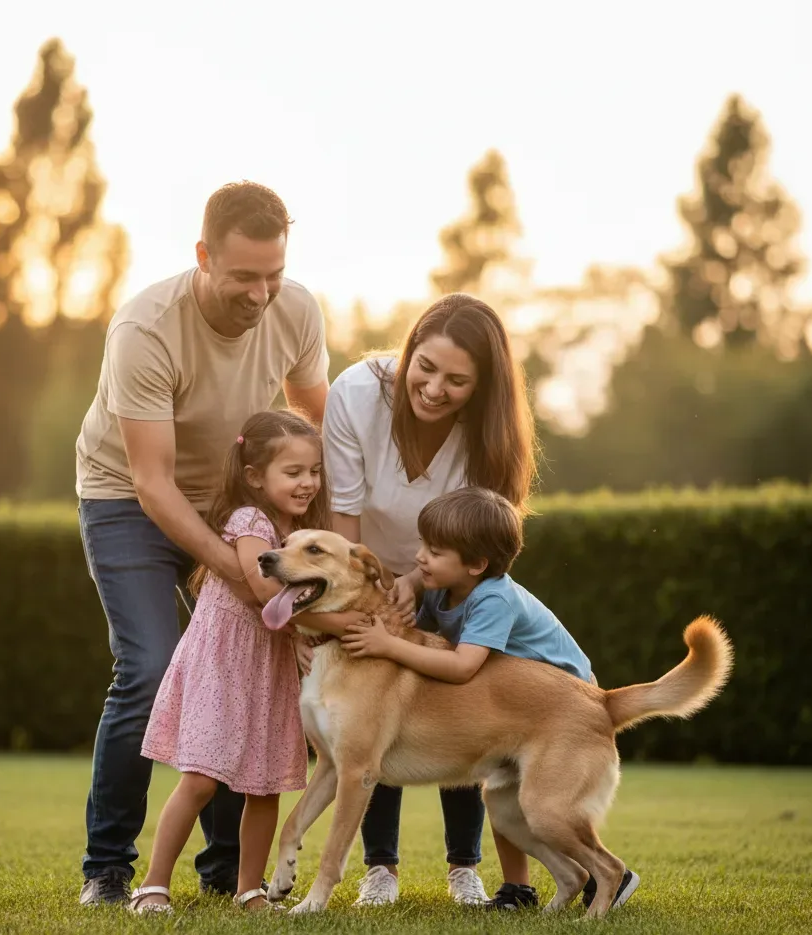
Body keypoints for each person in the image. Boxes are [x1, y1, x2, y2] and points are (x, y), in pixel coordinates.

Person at [75, 182, 330, 906]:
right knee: (150, 665)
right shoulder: (146, 329)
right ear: (203, 256)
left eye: (273, 274)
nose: (260, 294)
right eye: (244, 276)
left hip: (237, 501)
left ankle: (226, 874)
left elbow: (320, 432)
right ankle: (108, 868)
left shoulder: (296, 309)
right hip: (126, 498)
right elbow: (152, 482)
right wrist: (241, 572)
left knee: (253, 674)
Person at [314, 293, 537, 907]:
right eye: (426, 368)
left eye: (457, 381)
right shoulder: (357, 394)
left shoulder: (489, 436)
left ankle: (464, 866)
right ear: (409, 351)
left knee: (456, 714)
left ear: (483, 386)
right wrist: (367, 601)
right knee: (373, 713)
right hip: (366, 570)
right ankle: (379, 869)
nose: (435, 389)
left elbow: (485, 533)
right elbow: (344, 520)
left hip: (449, 577)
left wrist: (417, 583)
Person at [342, 487, 641, 913]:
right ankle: (567, 879)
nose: (420, 558)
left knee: (546, 812)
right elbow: (423, 642)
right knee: (505, 810)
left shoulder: (493, 597)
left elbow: (461, 667)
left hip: (561, 705)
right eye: (423, 545)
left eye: (435, 551)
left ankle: (608, 874)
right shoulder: (444, 588)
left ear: (477, 564)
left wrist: (387, 645)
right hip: (518, 702)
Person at [127, 410, 331, 914]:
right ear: (255, 477)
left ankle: (249, 889)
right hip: (223, 665)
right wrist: (325, 621)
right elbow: (263, 589)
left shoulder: (303, 531)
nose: (308, 483)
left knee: (266, 785)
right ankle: (152, 885)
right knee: (201, 778)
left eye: (314, 471)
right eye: (293, 472)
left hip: (270, 671)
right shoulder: (250, 522)